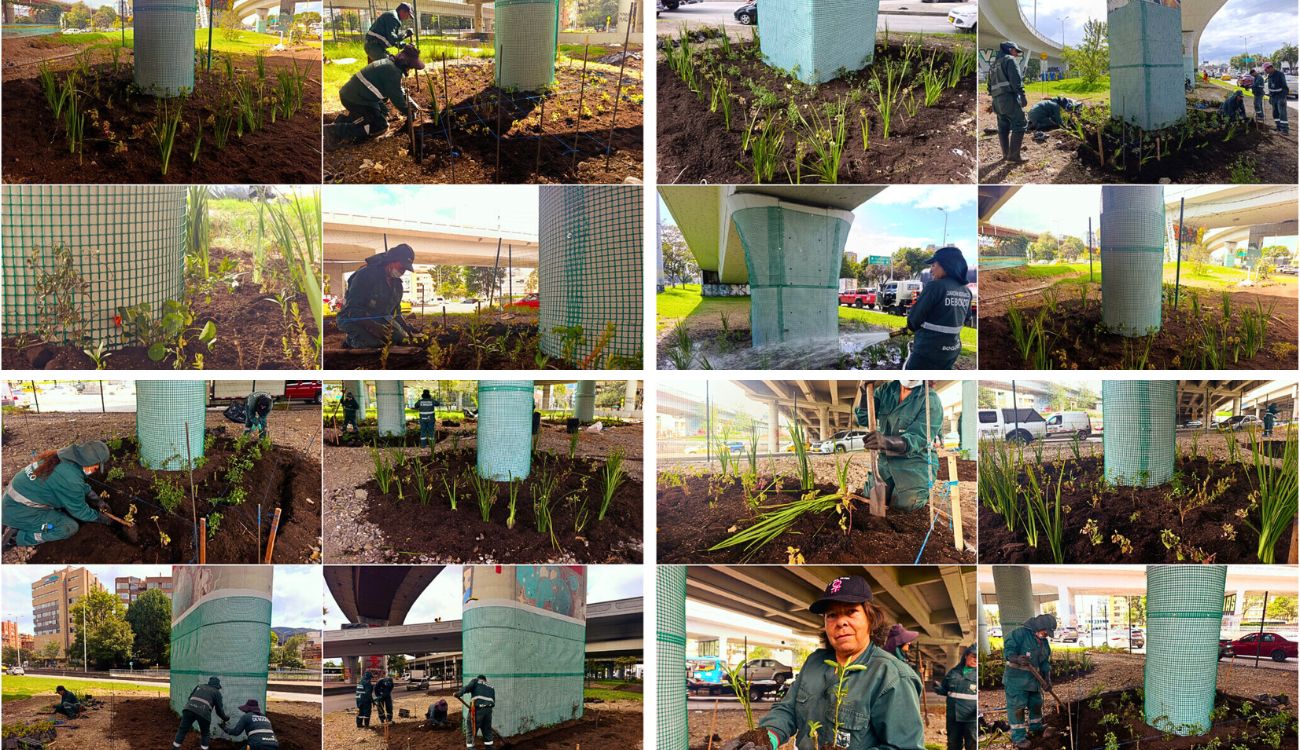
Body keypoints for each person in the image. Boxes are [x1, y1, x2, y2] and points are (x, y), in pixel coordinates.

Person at [721, 575, 925, 750]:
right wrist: (768, 737)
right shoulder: (814, 663)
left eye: (851, 611)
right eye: (832, 615)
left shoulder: (892, 676)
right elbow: (787, 710)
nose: (841, 622)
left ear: (870, 619)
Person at [2, 441, 114, 549]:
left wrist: (96, 500)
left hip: (12, 500)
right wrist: (99, 518)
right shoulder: (70, 479)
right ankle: (17, 538)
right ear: (90, 464)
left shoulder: (66, 458)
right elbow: (80, 511)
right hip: (18, 511)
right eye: (97, 467)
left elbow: (78, 485)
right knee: (68, 527)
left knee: (61, 510)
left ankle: (22, 524)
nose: (96, 470)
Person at [853, 381, 943, 511]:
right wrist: (864, 392)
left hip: (914, 463)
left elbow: (917, 438)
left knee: (904, 506)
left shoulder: (930, 400)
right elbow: (863, 419)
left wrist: (885, 442)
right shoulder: (886, 390)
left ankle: (921, 492)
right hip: (886, 461)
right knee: (869, 500)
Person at [326, 46, 425, 149]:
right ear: (405, 63)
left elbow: (399, 90)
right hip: (356, 99)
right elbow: (397, 98)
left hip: (358, 95)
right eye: (411, 67)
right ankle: (332, 131)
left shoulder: (390, 63)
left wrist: (412, 104)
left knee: (383, 113)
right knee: (379, 126)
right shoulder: (393, 72)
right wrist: (409, 112)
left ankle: (344, 121)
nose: (410, 69)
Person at [336, 244, 419, 349]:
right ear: (391, 260)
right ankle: (351, 340)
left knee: (401, 339)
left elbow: (396, 313)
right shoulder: (365, 275)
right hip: (353, 319)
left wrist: (406, 330)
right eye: (402, 266)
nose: (403, 271)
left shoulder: (397, 285)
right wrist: (373, 327)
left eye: (406, 268)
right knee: (375, 345)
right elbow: (353, 309)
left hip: (380, 320)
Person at [902, 247, 971, 370]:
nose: (930, 270)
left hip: (928, 351)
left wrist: (911, 327)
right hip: (952, 351)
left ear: (947, 265)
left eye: (934, 265)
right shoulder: (966, 291)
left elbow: (914, 320)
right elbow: (966, 318)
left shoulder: (935, 286)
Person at [1003, 615, 1057, 749]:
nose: (1046, 636)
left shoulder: (1043, 642)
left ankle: (1036, 727)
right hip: (1016, 681)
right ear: (1039, 628)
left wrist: (1047, 679)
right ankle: (1018, 737)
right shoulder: (1020, 634)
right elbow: (1008, 650)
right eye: (1046, 632)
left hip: (1034, 681)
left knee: (1036, 703)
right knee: (1017, 708)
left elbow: (1044, 662)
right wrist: (1016, 658)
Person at [987, 41, 1028, 162]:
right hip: (1008, 98)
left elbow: (989, 86)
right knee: (1020, 123)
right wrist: (1022, 94)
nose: (1016, 54)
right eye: (1016, 51)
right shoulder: (1009, 60)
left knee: (1003, 126)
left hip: (996, 101)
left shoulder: (993, 65)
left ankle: (1006, 155)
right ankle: (1014, 156)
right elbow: (1015, 79)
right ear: (1010, 50)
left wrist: (996, 98)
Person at [935, 646, 978, 750]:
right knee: (953, 744)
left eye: (978, 657)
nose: (976, 659)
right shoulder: (954, 672)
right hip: (953, 716)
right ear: (966, 656)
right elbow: (945, 690)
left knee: (972, 744)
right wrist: (938, 688)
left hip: (971, 718)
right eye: (973, 656)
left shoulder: (978, 674)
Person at [173, 676, 231, 750]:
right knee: (205, 733)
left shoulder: (199, 686)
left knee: (182, 730)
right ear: (217, 686)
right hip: (203, 713)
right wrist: (225, 718)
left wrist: (194, 706)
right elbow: (219, 710)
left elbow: (190, 698)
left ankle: (175, 748)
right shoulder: (217, 692)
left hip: (188, 709)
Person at [456, 674, 497, 748]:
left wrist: (459, 693)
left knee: (471, 730)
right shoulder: (491, 687)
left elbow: (467, 688)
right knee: (487, 730)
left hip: (478, 710)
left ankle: (471, 747)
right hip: (488, 711)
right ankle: (489, 748)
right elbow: (493, 701)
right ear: (485, 680)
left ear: (479, 679)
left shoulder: (475, 681)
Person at [1264, 62, 1290, 134]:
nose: (1266, 71)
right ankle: (1278, 127)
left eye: (1266, 70)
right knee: (1275, 113)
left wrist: (1283, 97)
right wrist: (1270, 97)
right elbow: (1270, 88)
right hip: (1273, 97)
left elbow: (1284, 87)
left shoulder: (1279, 74)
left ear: (1270, 68)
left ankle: (1284, 130)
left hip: (1280, 96)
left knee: (1282, 113)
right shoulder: (1270, 75)